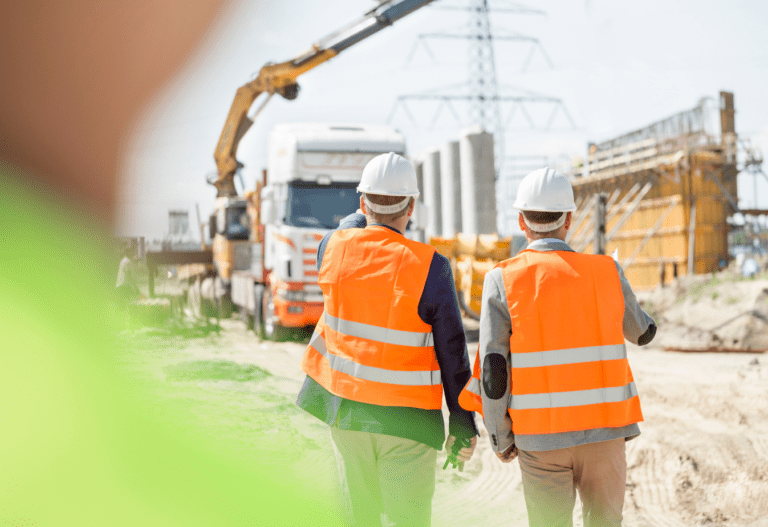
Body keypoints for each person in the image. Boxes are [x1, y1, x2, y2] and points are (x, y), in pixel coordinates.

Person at [459, 167, 657, 527]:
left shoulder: (501, 279)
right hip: (606, 431)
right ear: (569, 219)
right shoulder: (606, 271)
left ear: (522, 221)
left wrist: (500, 435)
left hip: (540, 440)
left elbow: (493, 368)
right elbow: (642, 333)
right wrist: (617, 277)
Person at [296, 152, 479, 526]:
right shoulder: (431, 266)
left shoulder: (332, 247)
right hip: (408, 424)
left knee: (357, 519)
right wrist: (462, 423)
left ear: (363, 202)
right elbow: (452, 353)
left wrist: (363, 213)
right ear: (412, 205)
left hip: (347, 414)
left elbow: (349, 227)